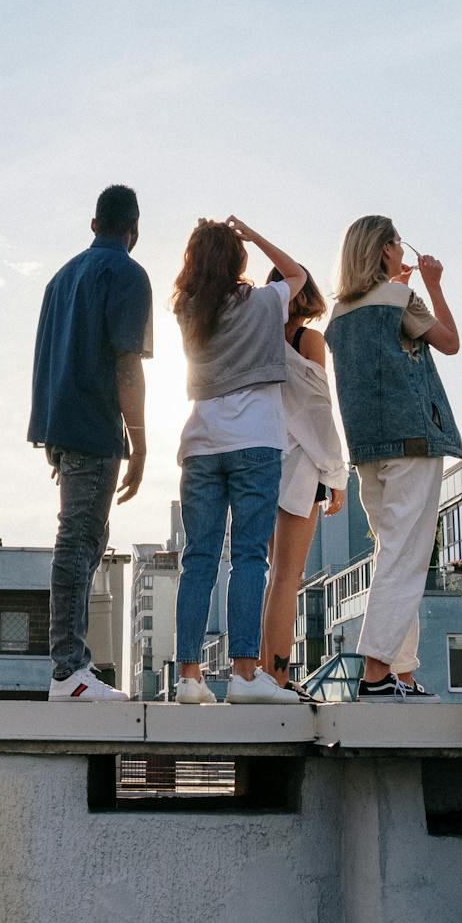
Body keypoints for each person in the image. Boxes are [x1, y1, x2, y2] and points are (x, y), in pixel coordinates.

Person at [326, 215, 462, 702]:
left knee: (391, 553)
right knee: (406, 556)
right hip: (413, 437)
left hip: (367, 447)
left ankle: (400, 673)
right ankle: (377, 672)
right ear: (385, 250)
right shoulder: (402, 298)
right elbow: (449, 341)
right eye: (397, 245)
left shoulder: (338, 314)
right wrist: (432, 284)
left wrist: (402, 286)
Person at [171, 217, 306, 707]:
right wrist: (254, 235)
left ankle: (189, 677)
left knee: (198, 560)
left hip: (201, 443)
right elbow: (297, 276)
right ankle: (245, 675)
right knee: (250, 555)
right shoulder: (265, 301)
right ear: (239, 260)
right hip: (255, 442)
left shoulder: (187, 309)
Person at [27, 185, 150, 701]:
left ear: (93, 222)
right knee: (78, 542)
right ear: (133, 230)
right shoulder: (127, 274)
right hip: (94, 427)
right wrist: (139, 443)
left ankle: (73, 668)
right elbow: (127, 363)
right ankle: (69, 671)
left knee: (87, 540)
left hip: (60, 424)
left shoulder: (60, 278)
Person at [260, 267, 348, 694]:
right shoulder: (307, 339)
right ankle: (276, 676)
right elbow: (317, 411)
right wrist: (337, 474)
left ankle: (265, 672)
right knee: (287, 578)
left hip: (261, 465)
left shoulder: (258, 342)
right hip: (299, 467)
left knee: (273, 578)